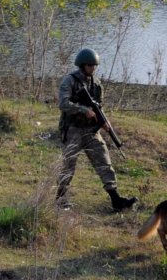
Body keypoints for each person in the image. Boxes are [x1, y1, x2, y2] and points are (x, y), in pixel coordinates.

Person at [55, 48, 137, 212]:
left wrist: (103, 122)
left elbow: (98, 107)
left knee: (104, 161)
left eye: (95, 65)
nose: (93, 68)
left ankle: (115, 199)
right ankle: (60, 198)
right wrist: (83, 110)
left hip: (91, 130)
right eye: (90, 65)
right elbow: (63, 104)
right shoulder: (69, 81)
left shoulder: (96, 84)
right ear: (82, 65)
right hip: (72, 129)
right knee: (68, 165)